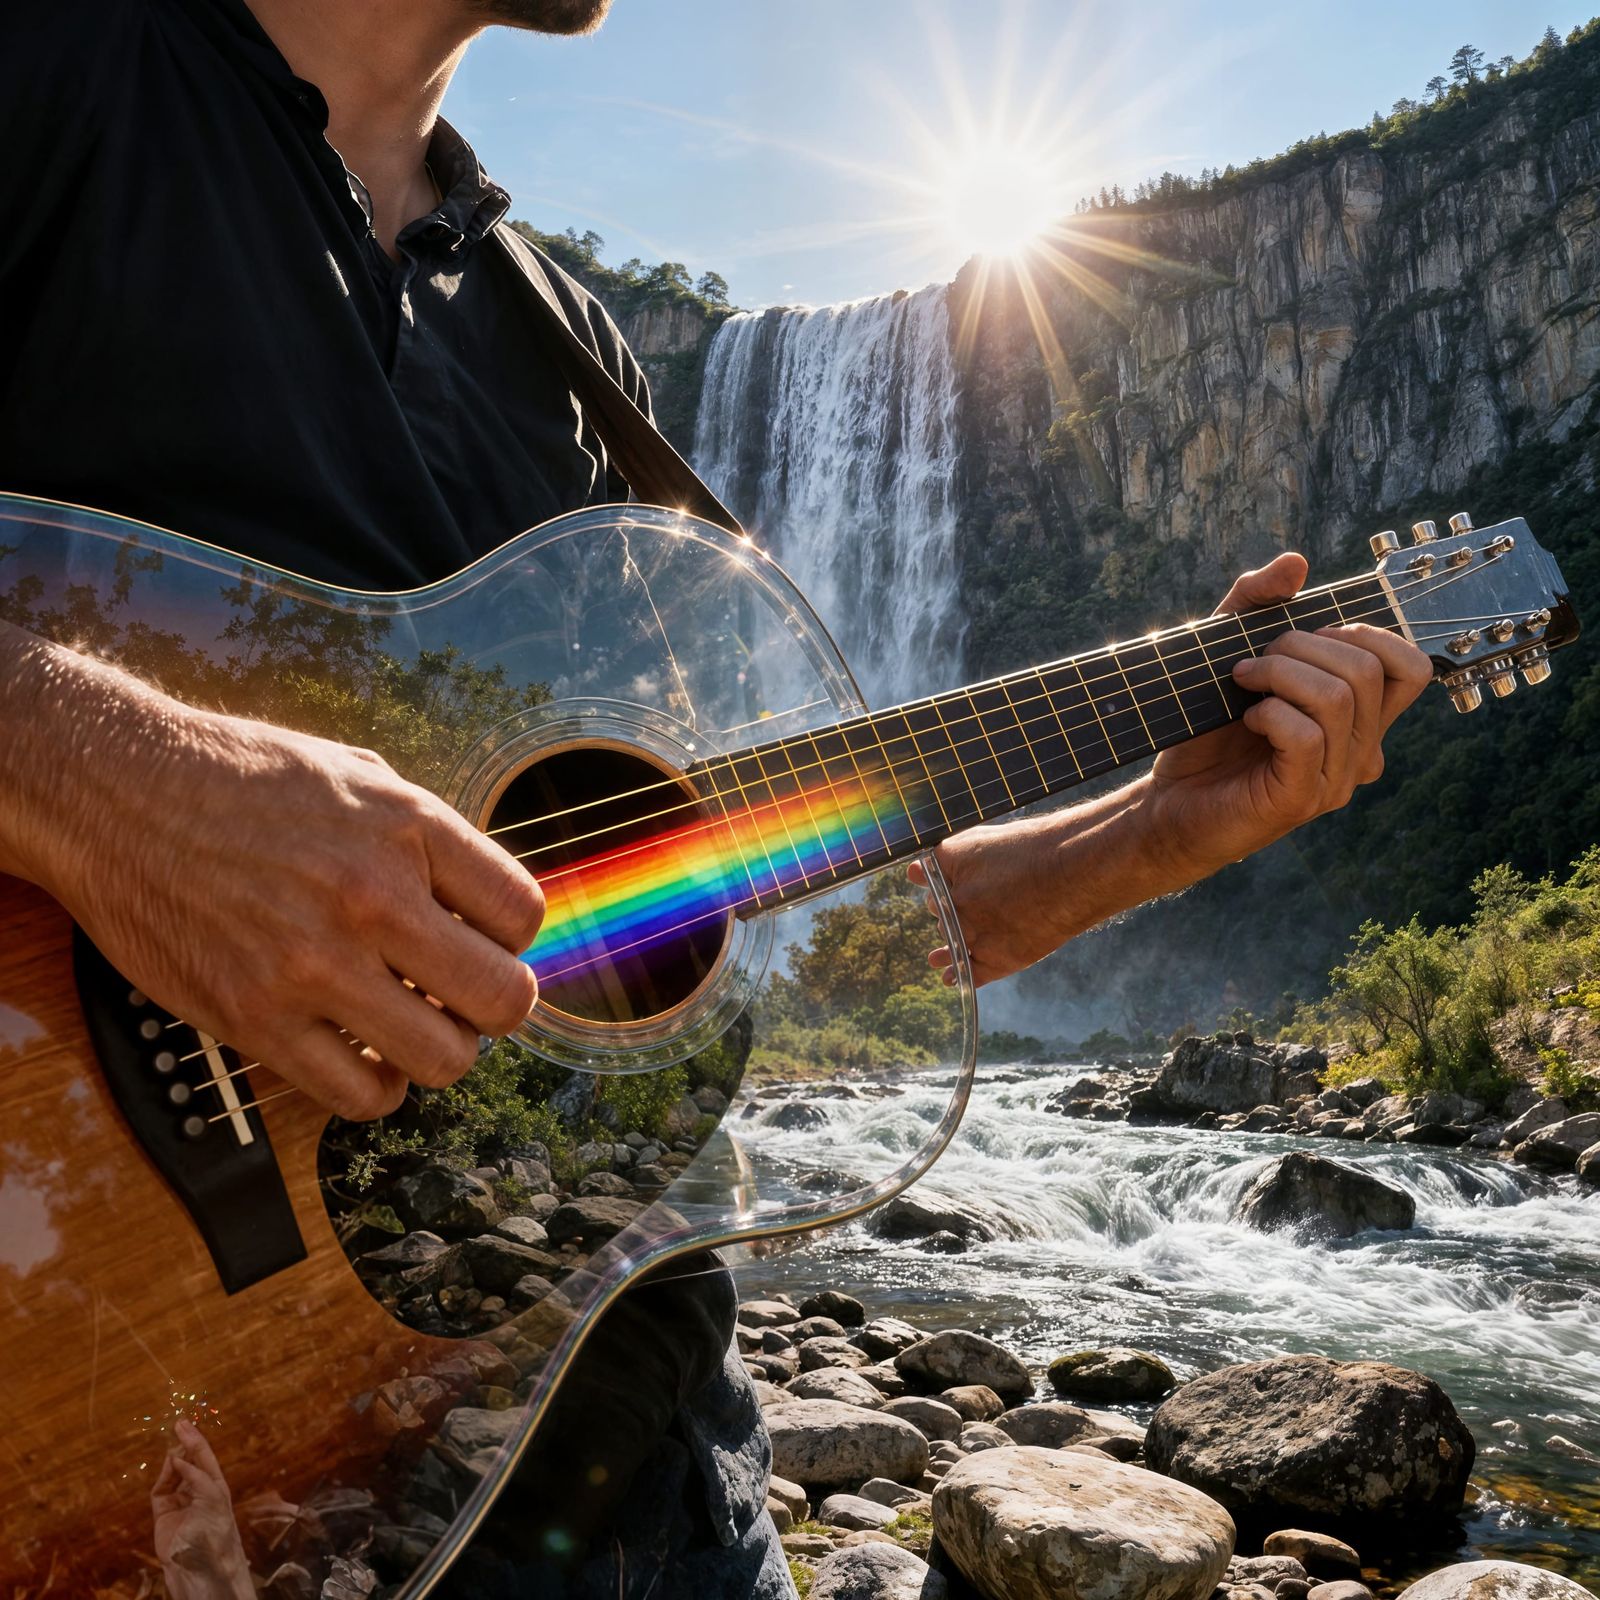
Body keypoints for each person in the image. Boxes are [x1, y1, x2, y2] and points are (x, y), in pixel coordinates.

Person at [0, 2, 1432, 1596]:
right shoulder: (58, 72)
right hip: (176, 1461)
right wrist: (107, 779)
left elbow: (780, 929)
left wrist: (1162, 827)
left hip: (652, 1466)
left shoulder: (572, 353)